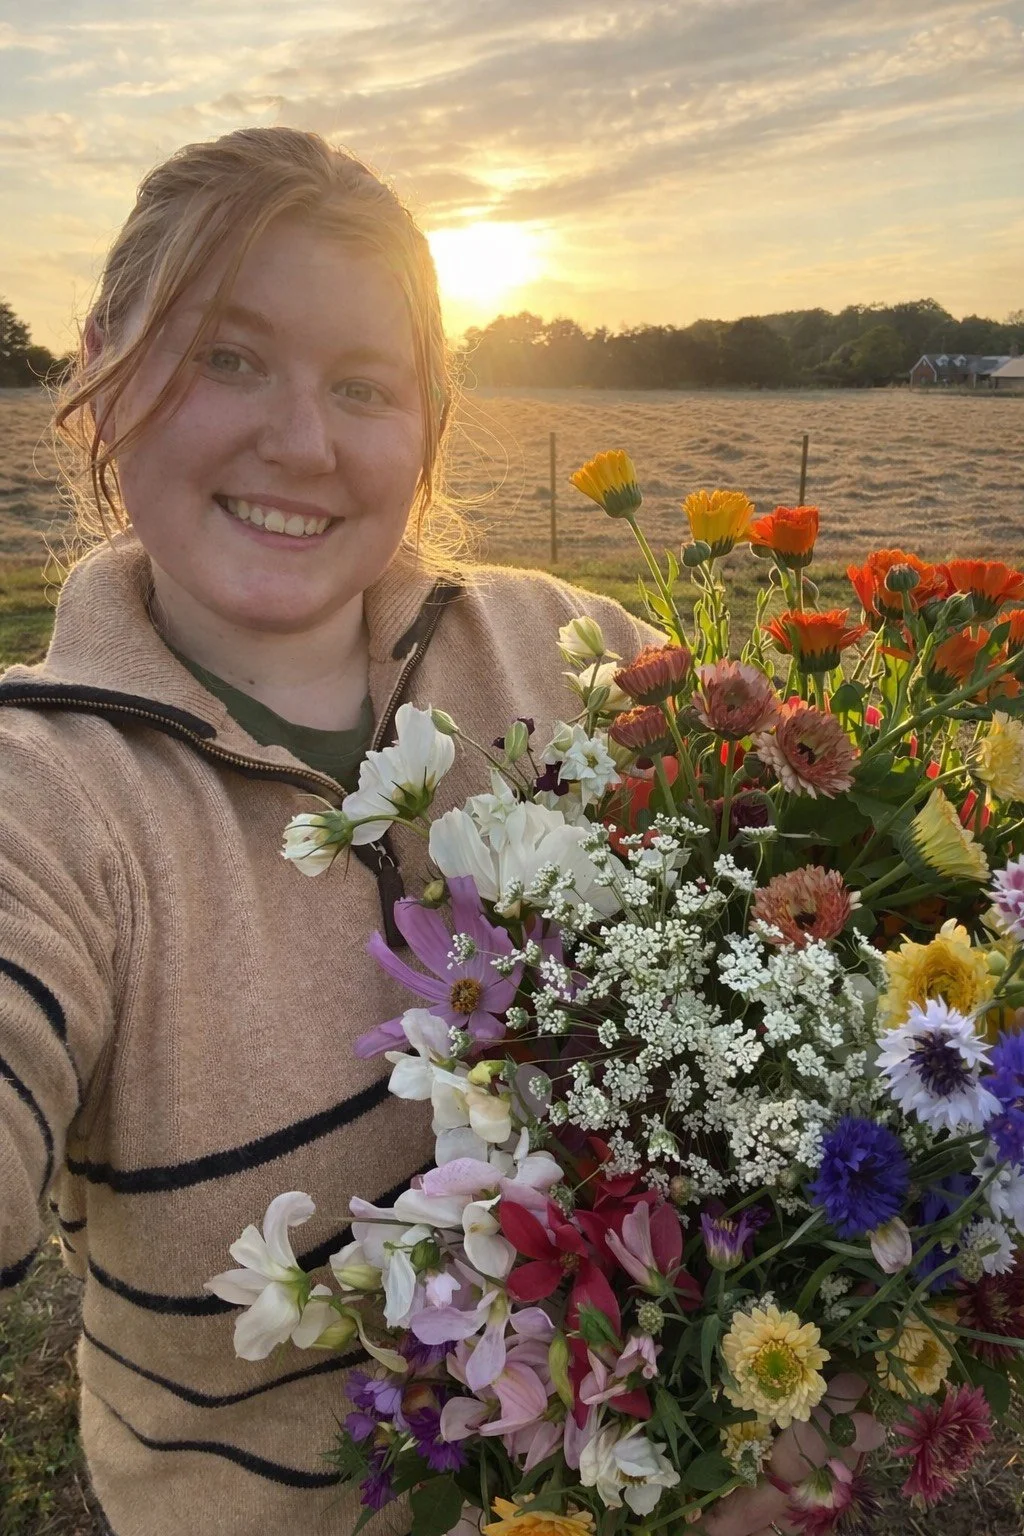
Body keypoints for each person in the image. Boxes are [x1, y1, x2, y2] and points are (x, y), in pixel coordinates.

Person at [0, 126, 648, 1536]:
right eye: (228, 357)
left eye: (362, 386)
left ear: (427, 427)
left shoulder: (572, 651)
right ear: (104, 372)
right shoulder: (46, 799)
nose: (300, 440)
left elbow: (853, 905)